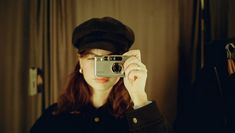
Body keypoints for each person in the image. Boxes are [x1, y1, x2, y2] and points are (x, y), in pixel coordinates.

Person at [30, 17, 173, 133]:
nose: (100, 69)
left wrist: (140, 98)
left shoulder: (136, 118)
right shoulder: (55, 116)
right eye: (93, 59)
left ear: (123, 63)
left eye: (110, 60)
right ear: (80, 62)